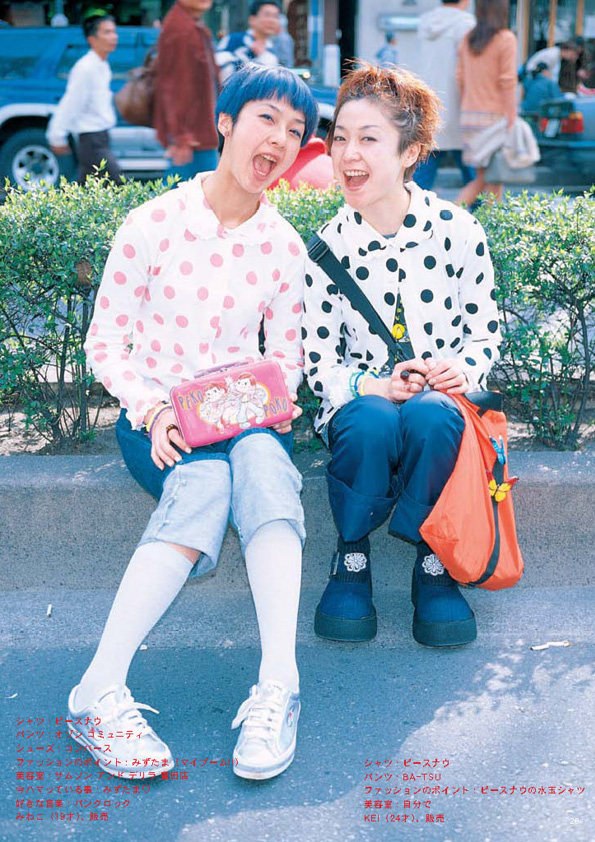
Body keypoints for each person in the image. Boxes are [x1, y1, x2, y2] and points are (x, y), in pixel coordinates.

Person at [71, 64, 318, 782]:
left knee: (265, 464)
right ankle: (95, 692)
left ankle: (279, 685)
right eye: (266, 118)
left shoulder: (284, 247)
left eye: (295, 131)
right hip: (158, 418)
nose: (279, 140)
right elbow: (104, 343)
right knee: (207, 481)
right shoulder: (152, 224)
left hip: (243, 421)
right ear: (226, 123)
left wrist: (271, 402)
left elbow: (289, 359)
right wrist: (151, 409)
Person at [302, 64, 501, 648]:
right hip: (363, 407)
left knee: (432, 413)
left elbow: (484, 335)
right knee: (371, 418)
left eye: (368, 139)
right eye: (340, 137)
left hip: (440, 410)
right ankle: (352, 555)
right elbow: (319, 364)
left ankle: (434, 561)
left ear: (410, 151)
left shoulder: (458, 232)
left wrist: (461, 369)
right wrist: (376, 385)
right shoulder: (326, 247)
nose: (347, 154)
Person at [47, 11, 121, 184]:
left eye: (114, 31)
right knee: (118, 184)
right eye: (107, 32)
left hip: (101, 137)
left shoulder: (102, 66)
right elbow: (71, 102)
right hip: (91, 140)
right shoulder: (85, 68)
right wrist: (56, 135)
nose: (114, 37)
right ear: (92, 39)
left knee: (87, 188)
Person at [456, 0, 518, 205]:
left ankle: (487, 222)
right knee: (489, 179)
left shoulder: (468, 39)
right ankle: (448, 216)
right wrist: (512, 118)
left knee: (488, 178)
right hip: (495, 117)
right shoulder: (506, 39)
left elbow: (460, 79)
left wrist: (469, 106)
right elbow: (507, 81)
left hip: (470, 116)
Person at [153, 0, 220, 181]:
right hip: (192, 137)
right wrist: (180, 136)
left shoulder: (190, 23)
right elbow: (174, 86)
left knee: (196, 190)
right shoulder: (180, 28)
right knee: (189, 191)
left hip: (198, 133)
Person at [414, 0, 475, 190]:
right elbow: (468, 70)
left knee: (421, 178)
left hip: (429, 106)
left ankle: (412, 208)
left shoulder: (425, 22)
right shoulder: (466, 24)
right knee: (475, 179)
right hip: (459, 105)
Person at [216, 0, 281, 83]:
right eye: (267, 15)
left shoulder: (272, 50)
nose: (272, 20)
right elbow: (218, 67)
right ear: (252, 19)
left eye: (275, 16)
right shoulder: (233, 40)